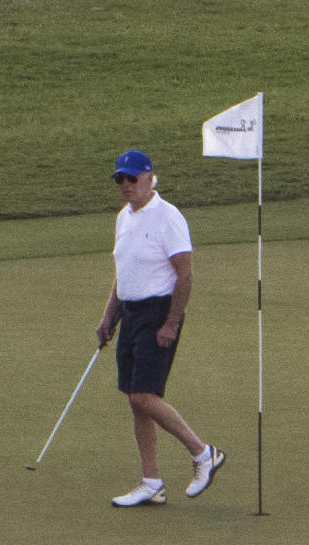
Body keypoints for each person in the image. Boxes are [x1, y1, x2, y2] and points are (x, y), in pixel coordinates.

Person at [96, 151, 225, 507]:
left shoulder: (169, 218)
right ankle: (151, 482)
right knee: (136, 402)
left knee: (144, 396)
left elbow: (185, 274)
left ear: (150, 177)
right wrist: (109, 316)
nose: (125, 185)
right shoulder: (124, 217)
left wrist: (171, 321)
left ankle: (203, 454)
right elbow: (123, 273)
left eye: (132, 179)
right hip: (130, 313)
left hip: (158, 313)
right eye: (120, 179)